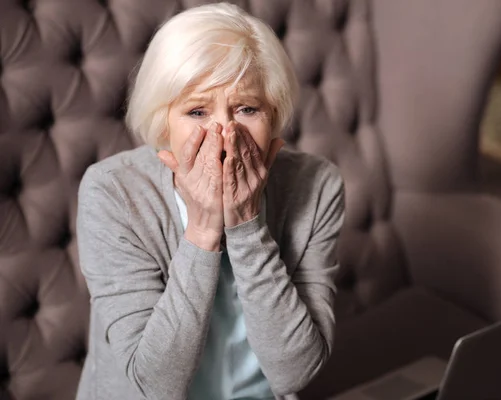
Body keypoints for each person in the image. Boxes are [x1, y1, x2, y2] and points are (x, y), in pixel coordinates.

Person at [75, 3, 345, 400]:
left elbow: (295, 373)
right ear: (162, 121)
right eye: (197, 110)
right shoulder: (111, 192)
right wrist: (202, 229)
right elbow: (155, 384)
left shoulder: (318, 184)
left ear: (273, 114)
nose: (224, 134)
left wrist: (246, 222)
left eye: (247, 108)